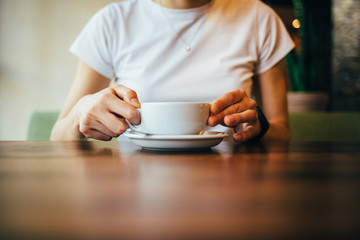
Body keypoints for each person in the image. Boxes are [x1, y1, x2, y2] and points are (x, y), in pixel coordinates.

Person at [51, 0, 295, 143]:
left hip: (229, 181)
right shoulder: (112, 21)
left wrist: (259, 126)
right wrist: (79, 113)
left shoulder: (259, 17)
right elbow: (58, 135)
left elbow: (281, 130)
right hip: (132, 183)